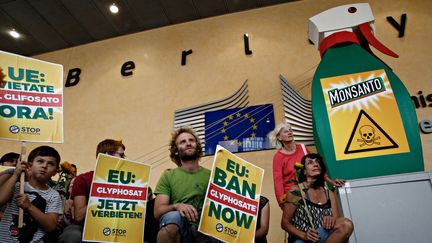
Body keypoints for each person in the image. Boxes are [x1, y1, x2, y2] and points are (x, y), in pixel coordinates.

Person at [154, 127, 218, 243]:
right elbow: (158, 211)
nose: (188, 143)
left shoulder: (213, 176)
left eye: (191, 140)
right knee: (172, 217)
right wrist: (176, 206)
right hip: (181, 230)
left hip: (208, 232)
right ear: (176, 150)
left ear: (197, 147)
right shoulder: (168, 176)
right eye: (183, 142)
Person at [58, 139, 125, 243]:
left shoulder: (128, 181)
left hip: (117, 227)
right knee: (72, 235)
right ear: (108, 155)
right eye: (121, 155)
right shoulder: (83, 179)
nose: (124, 159)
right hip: (84, 227)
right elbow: (79, 216)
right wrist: (106, 193)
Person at [281, 153, 353, 243]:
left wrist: (331, 219)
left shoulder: (329, 193)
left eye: (317, 162)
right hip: (302, 239)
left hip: (324, 236)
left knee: (346, 224)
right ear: (304, 171)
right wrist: (304, 236)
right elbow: (285, 223)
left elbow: (337, 223)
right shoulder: (297, 190)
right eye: (310, 163)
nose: (315, 164)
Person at [269, 123, 345, 206]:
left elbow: (315, 168)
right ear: (279, 137)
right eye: (285, 131)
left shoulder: (303, 148)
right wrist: (282, 202)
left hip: (312, 191)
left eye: (290, 130)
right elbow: (278, 182)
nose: (290, 132)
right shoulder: (278, 157)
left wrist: (331, 182)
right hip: (294, 196)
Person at [0, 146, 63, 242]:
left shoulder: (53, 195)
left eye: (50, 164)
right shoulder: (16, 186)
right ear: (29, 165)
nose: (44, 166)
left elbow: (51, 226)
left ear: (55, 171)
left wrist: (29, 206)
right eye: (40, 161)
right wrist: (16, 174)